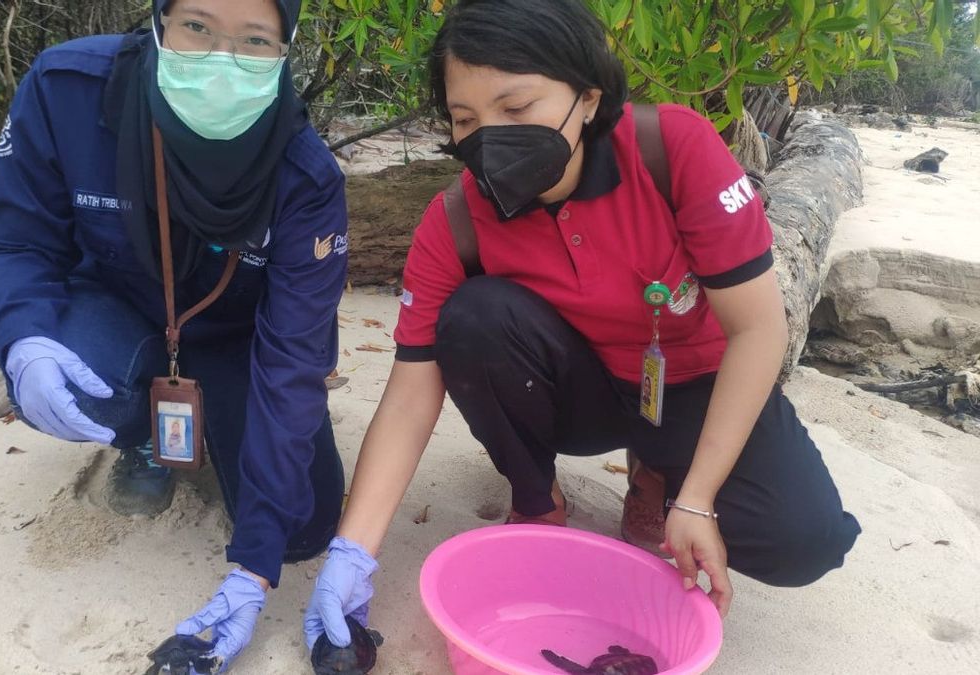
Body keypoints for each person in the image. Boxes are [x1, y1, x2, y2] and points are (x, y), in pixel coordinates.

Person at [305, 0, 861, 651]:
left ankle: (659, 472)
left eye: (516, 108)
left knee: (804, 538)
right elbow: (407, 396)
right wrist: (351, 553)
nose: (489, 134)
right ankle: (538, 501)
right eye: (466, 118)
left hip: (690, 383)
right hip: (580, 389)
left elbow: (758, 329)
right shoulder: (455, 219)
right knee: (473, 319)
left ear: (589, 96)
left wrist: (698, 499)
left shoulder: (672, 149)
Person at [0, 0, 347, 669]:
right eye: (197, 26)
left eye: (256, 40)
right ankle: (143, 434)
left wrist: (252, 572)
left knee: (302, 525)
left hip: (240, 336)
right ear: (159, 21)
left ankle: (217, 429)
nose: (220, 60)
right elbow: (15, 238)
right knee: (69, 376)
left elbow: (295, 357)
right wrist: (23, 336)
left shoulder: (307, 174)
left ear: (287, 50)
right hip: (118, 308)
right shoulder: (67, 89)